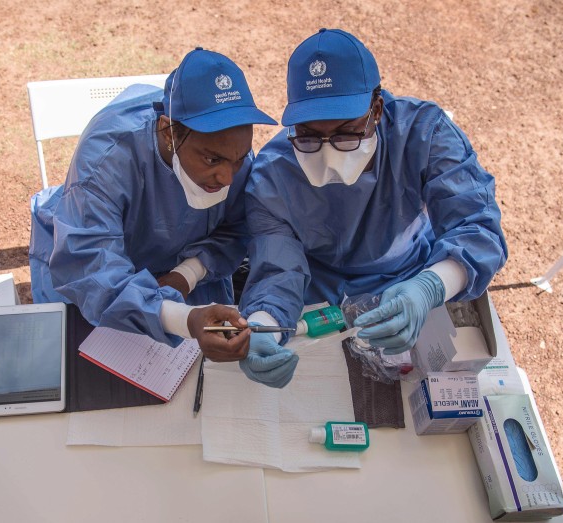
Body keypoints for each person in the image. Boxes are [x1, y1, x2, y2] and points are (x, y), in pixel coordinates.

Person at [236, 29, 508, 387]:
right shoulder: (274, 176)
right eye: (308, 135)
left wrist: (429, 287)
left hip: (409, 277)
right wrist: (265, 329)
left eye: (347, 133)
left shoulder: (424, 135)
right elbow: (278, 269)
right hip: (318, 291)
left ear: (376, 109)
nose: (328, 154)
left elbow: (478, 229)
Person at [29, 48, 278, 362]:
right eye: (212, 160)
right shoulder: (105, 161)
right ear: (167, 131)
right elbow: (96, 273)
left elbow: (235, 228)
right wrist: (185, 319)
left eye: (239, 159)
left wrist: (185, 275)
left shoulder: (229, 151)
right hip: (94, 266)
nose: (228, 177)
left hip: (184, 272)